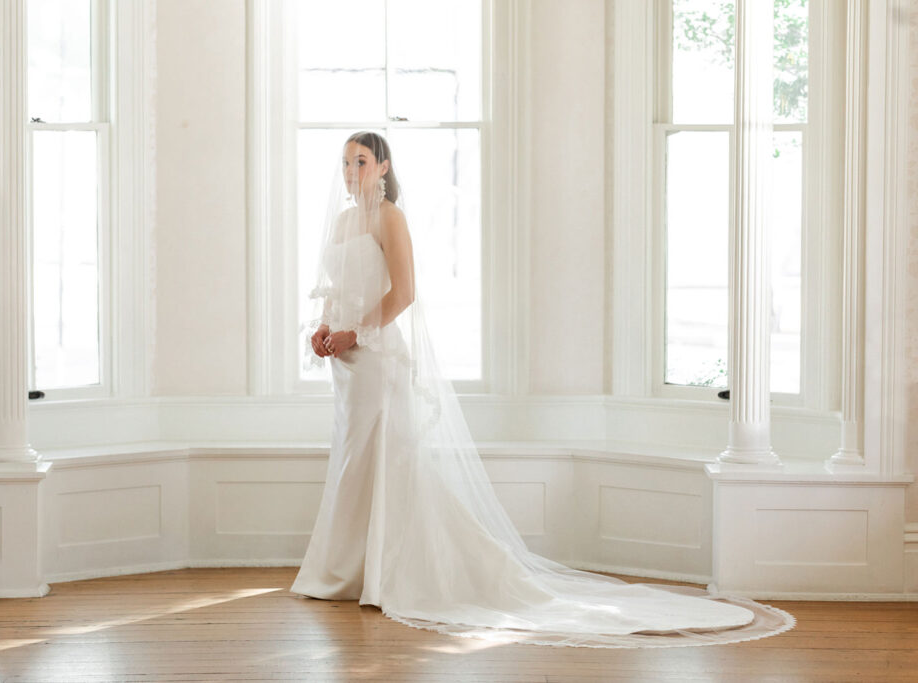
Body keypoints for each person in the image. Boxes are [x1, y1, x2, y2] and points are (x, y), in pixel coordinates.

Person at [290, 131, 794, 647]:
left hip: (377, 359)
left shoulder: (390, 217)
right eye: (346, 162)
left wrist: (358, 332)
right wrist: (326, 328)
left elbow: (405, 293)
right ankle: (347, 570)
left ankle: (392, 571)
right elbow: (338, 290)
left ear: (383, 167)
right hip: (346, 362)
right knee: (355, 459)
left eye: (361, 161)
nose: (351, 171)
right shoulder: (342, 220)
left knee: (388, 459)